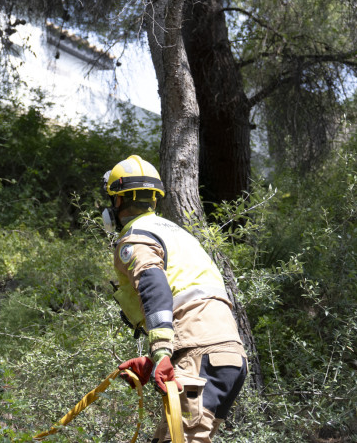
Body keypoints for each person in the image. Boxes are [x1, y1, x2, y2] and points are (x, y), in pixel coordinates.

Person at [101, 155, 247, 443]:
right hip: (220, 356)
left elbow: (154, 286)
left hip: (200, 356)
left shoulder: (136, 237)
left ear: (117, 202)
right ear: (154, 199)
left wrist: (161, 351)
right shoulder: (176, 233)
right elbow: (189, 305)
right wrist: (160, 359)